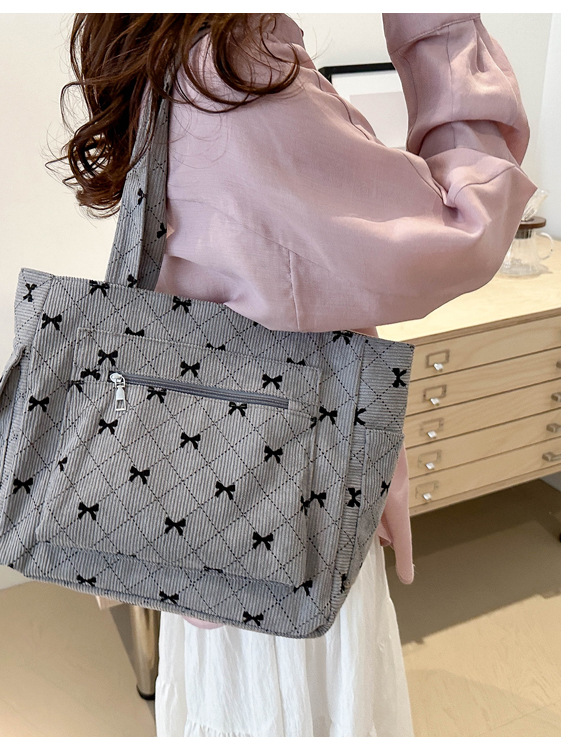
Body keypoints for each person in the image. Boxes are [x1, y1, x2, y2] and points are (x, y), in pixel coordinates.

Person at [53, 12, 537, 737]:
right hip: (290, 518)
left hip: (208, 507)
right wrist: (440, 25)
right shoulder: (240, 75)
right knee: (305, 711)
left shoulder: (168, 58)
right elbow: (465, 226)